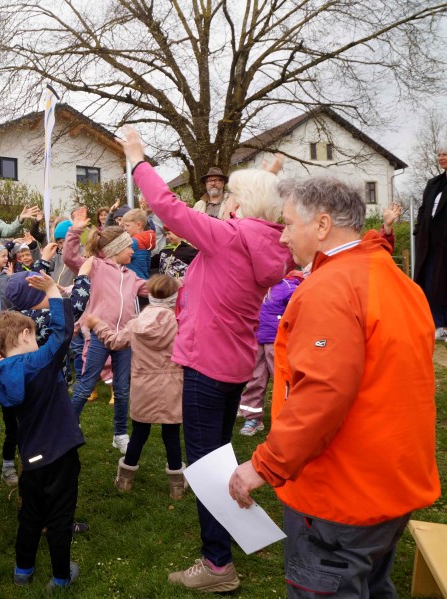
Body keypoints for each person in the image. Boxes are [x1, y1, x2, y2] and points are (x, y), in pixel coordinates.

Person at [230, 176, 441, 598]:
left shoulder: (331, 287)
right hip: (392, 480)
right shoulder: (393, 277)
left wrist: (263, 466)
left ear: (322, 225)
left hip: (340, 492)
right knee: (373, 583)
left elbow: (321, 394)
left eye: (288, 223)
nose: (283, 235)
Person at [118, 125, 292, 592]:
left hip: (206, 368)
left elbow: (167, 208)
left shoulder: (229, 237)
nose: (224, 202)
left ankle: (219, 565)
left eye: (231, 195)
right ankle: (233, 541)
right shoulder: (266, 240)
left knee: (205, 467)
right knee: (219, 456)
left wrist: (137, 158)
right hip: (232, 365)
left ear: (240, 203)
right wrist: (266, 174)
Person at [0, 273, 84, 590]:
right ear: (26, 334)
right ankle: (60, 577)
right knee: (59, 518)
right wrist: (53, 290)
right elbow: (62, 332)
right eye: (35, 334)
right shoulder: (39, 363)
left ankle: (22, 570)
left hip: (31, 458)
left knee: (30, 514)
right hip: (60, 454)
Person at [83, 275, 186, 498]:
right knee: (171, 435)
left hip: (143, 385)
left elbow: (114, 341)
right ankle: (176, 486)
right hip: (172, 384)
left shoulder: (136, 323)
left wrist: (98, 325)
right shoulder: (180, 322)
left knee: (139, 433)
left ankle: (124, 480)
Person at [64, 209, 150, 453]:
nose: (133, 251)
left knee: (122, 390)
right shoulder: (96, 267)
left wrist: (182, 283)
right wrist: (75, 230)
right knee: (86, 383)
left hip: (124, 340)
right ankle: (69, 425)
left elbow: (156, 288)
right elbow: (70, 257)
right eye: (129, 247)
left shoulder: (132, 276)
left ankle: (120, 434)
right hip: (100, 337)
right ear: (115, 249)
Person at [237, 271, 303, 436]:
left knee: (283, 379)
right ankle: (252, 417)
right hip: (257, 340)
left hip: (277, 342)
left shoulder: (288, 288)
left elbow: (297, 313)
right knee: (255, 379)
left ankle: (288, 416)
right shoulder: (255, 288)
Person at [413, 144, 447, 338]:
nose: (441, 157)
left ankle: (442, 324)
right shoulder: (433, 183)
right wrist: (418, 230)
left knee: (442, 283)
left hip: (444, 243)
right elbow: (423, 208)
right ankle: (435, 323)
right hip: (428, 243)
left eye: (445, 154)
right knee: (428, 282)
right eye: (439, 154)